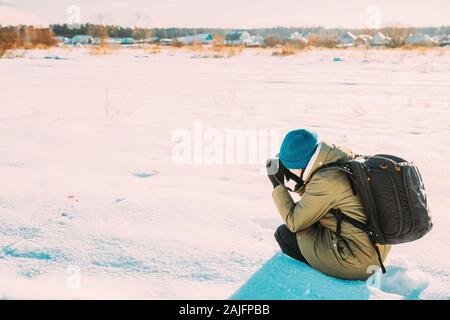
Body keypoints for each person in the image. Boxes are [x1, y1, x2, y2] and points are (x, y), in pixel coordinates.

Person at [267, 129, 391, 280]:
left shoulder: (325, 181)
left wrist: (277, 185)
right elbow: (327, 198)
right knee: (310, 220)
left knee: (285, 235)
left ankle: (318, 272)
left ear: (301, 164)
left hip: (356, 261)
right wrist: (300, 183)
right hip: (375, 248)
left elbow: (295, 222)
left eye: (292, 167)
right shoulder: (339, 156)